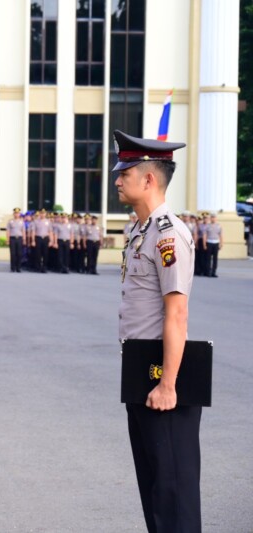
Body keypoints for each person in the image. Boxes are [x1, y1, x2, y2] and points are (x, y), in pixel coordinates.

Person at [113, 129, 200, 533]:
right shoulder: (140, 230)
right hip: (139, 367)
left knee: (172, 488)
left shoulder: (168, 233)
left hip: (161, 373)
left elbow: (177, 312)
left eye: (124, 172)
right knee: (152, 484)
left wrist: (168, 383)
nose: (117, 179)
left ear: (149, 179)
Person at [5, 208, 25, 273]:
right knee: (13, 254)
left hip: (19, 238)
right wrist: (7, 240)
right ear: (13, 214)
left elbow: (23, 231)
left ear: (19, 214)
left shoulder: (22, 221)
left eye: (18, 213)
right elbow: (8, 231)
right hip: (12, 238)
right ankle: (13, 268)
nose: (16, 214)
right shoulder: (10, 221)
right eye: (15, 213)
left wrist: (24, 239)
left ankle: (18, 268)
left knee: (19, 254)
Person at [205, 212, 222, 277]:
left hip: (216, 243)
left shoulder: (219, 226)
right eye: (212, 217)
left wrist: (221, 243)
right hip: (209, 242)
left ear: (216, 218)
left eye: (214, 217)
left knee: (215, 259)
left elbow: (220, 235)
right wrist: (205, 244)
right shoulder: (207, 226)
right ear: (210, 218)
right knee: (208, 258)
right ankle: (208, 271)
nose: (213, 219)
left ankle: (214, 272)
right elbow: (205, 235)